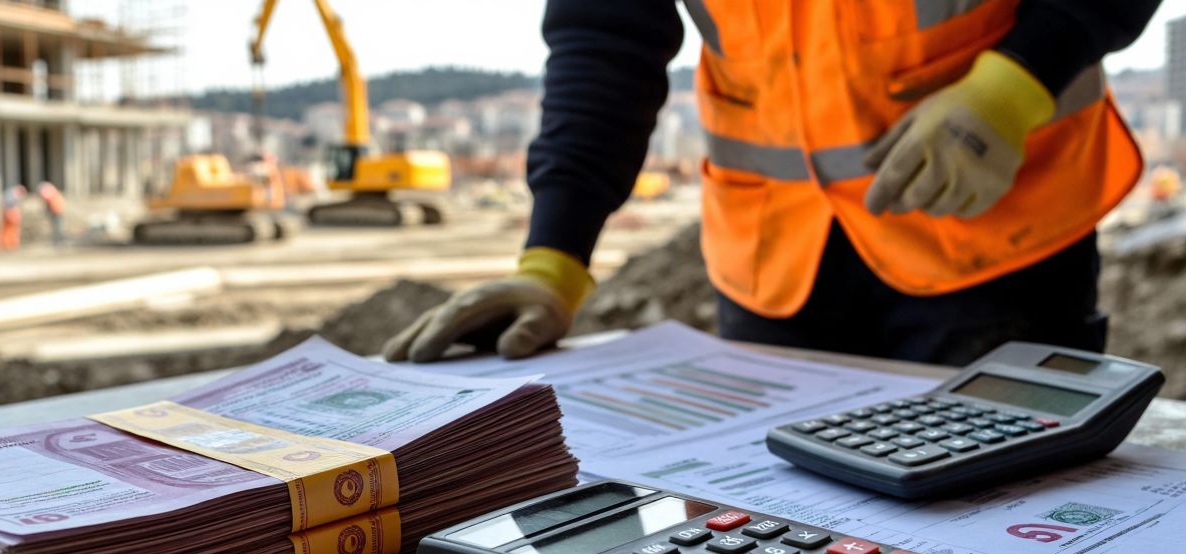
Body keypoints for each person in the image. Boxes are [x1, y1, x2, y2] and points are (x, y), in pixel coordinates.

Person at [386, 1, 1160, 366]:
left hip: (993, 231)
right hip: (775, 262)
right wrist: (553, 260)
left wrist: (1015, 85)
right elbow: (607, 35)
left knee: (1009, 540)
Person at [37, 181, 67, 247]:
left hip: (56, 211)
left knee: (57, 227)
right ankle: (58, 241)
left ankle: (58, 242)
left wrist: (46, 210)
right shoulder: (53, 191)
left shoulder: (48, 193)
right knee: (57, 227)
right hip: (57, 210)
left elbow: (47, 201)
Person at [0, 184, 26, 251]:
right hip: (10, 213)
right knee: (10, 229)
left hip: (8, 212)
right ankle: (8, 244)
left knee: (9, 229)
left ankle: (8, 244)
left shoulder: (10, 193)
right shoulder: (12, 195)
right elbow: (9, 204)